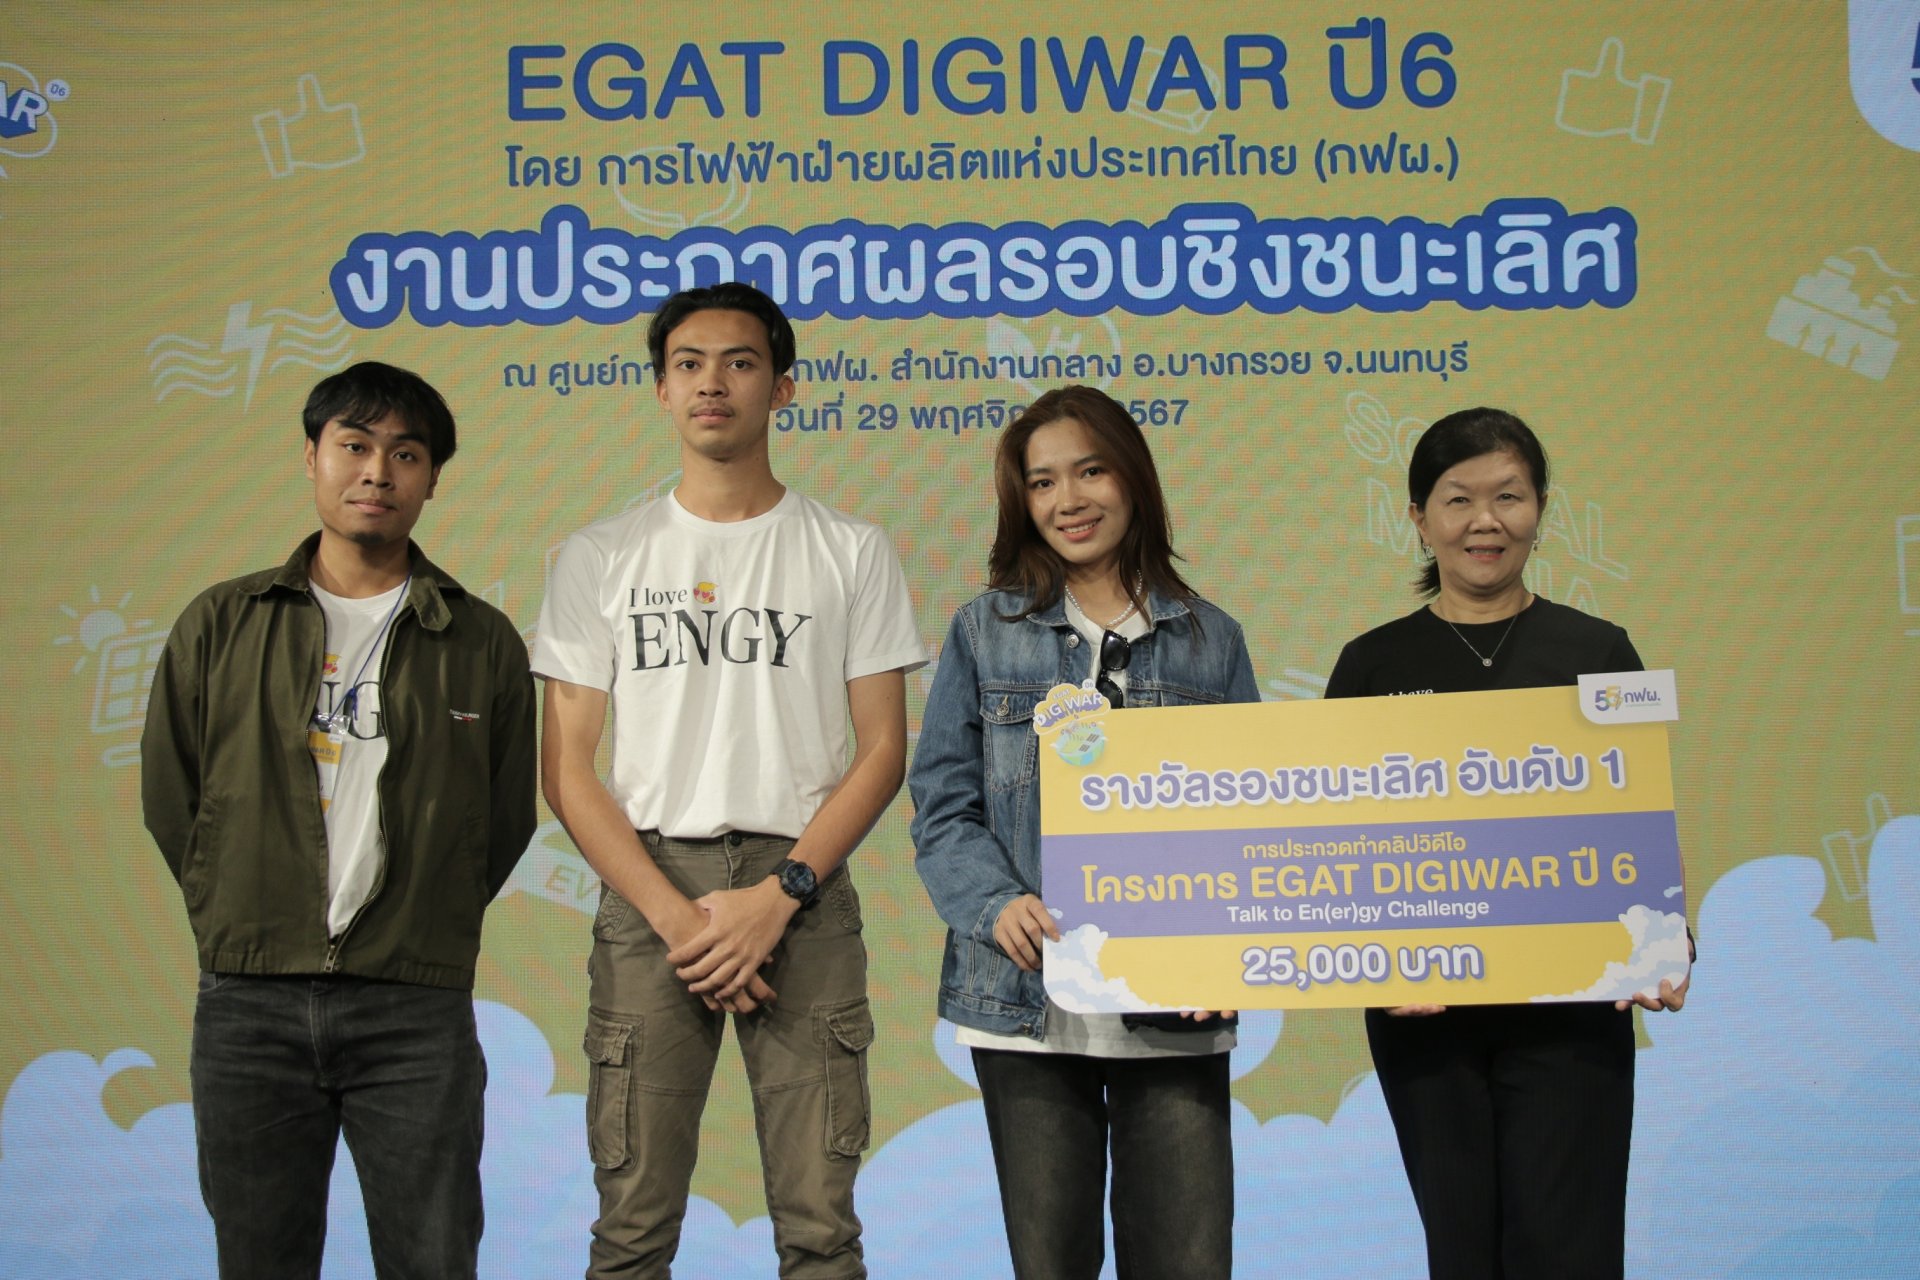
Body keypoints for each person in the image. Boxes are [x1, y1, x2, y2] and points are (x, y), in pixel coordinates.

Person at [534, 282, 926, 1280]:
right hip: (649, 892)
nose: (714, 382)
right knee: (630, 1230)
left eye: (741, 362)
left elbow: (884, 749)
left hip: (803, 889)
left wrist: (779, 895)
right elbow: (566, 768)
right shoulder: (598, 556)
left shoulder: (850, 549)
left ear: (783, 388)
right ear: (662, 390)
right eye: (689, 364)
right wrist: (680, 921)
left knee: (822, 1232)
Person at [140, 361, 538, 1278]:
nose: (376, 472)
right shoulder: (222, 622)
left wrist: (426, 921)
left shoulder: (478, 638)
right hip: (249, 1001)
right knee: (259, 1259)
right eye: (353, 446)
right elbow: (174, 798)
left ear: (432, 478)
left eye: (405, 454)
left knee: (433, 1259)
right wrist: (236, 912)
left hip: (415, 1006)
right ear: (311, 457)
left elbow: (502, 816)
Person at [1323, 405, 1690, 1280]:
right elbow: (1340, 847)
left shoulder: (1598, 651)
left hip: (1574, 1013)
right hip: (1426, 1018)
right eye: (1458, 500)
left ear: (1540, 510)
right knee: (1462, 1252)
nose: (1484, 522)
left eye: (1509, 497)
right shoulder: (1371, 665)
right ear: (1419, 519)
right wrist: (1378, 963)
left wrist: (1663, 935)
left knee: (1570, 1249)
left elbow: (1636, 821)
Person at [910, 385, 1260, 1280]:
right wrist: (994, 904)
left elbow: (1251, 826)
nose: (1068, 500)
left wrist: (1226, 954)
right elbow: (942, 805)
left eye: (1091, 471)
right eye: (1042, 482)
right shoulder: (984, 632)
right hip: (1026, 1009)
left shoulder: (1213, 641)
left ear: (1133, 477)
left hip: (1175, 1010)